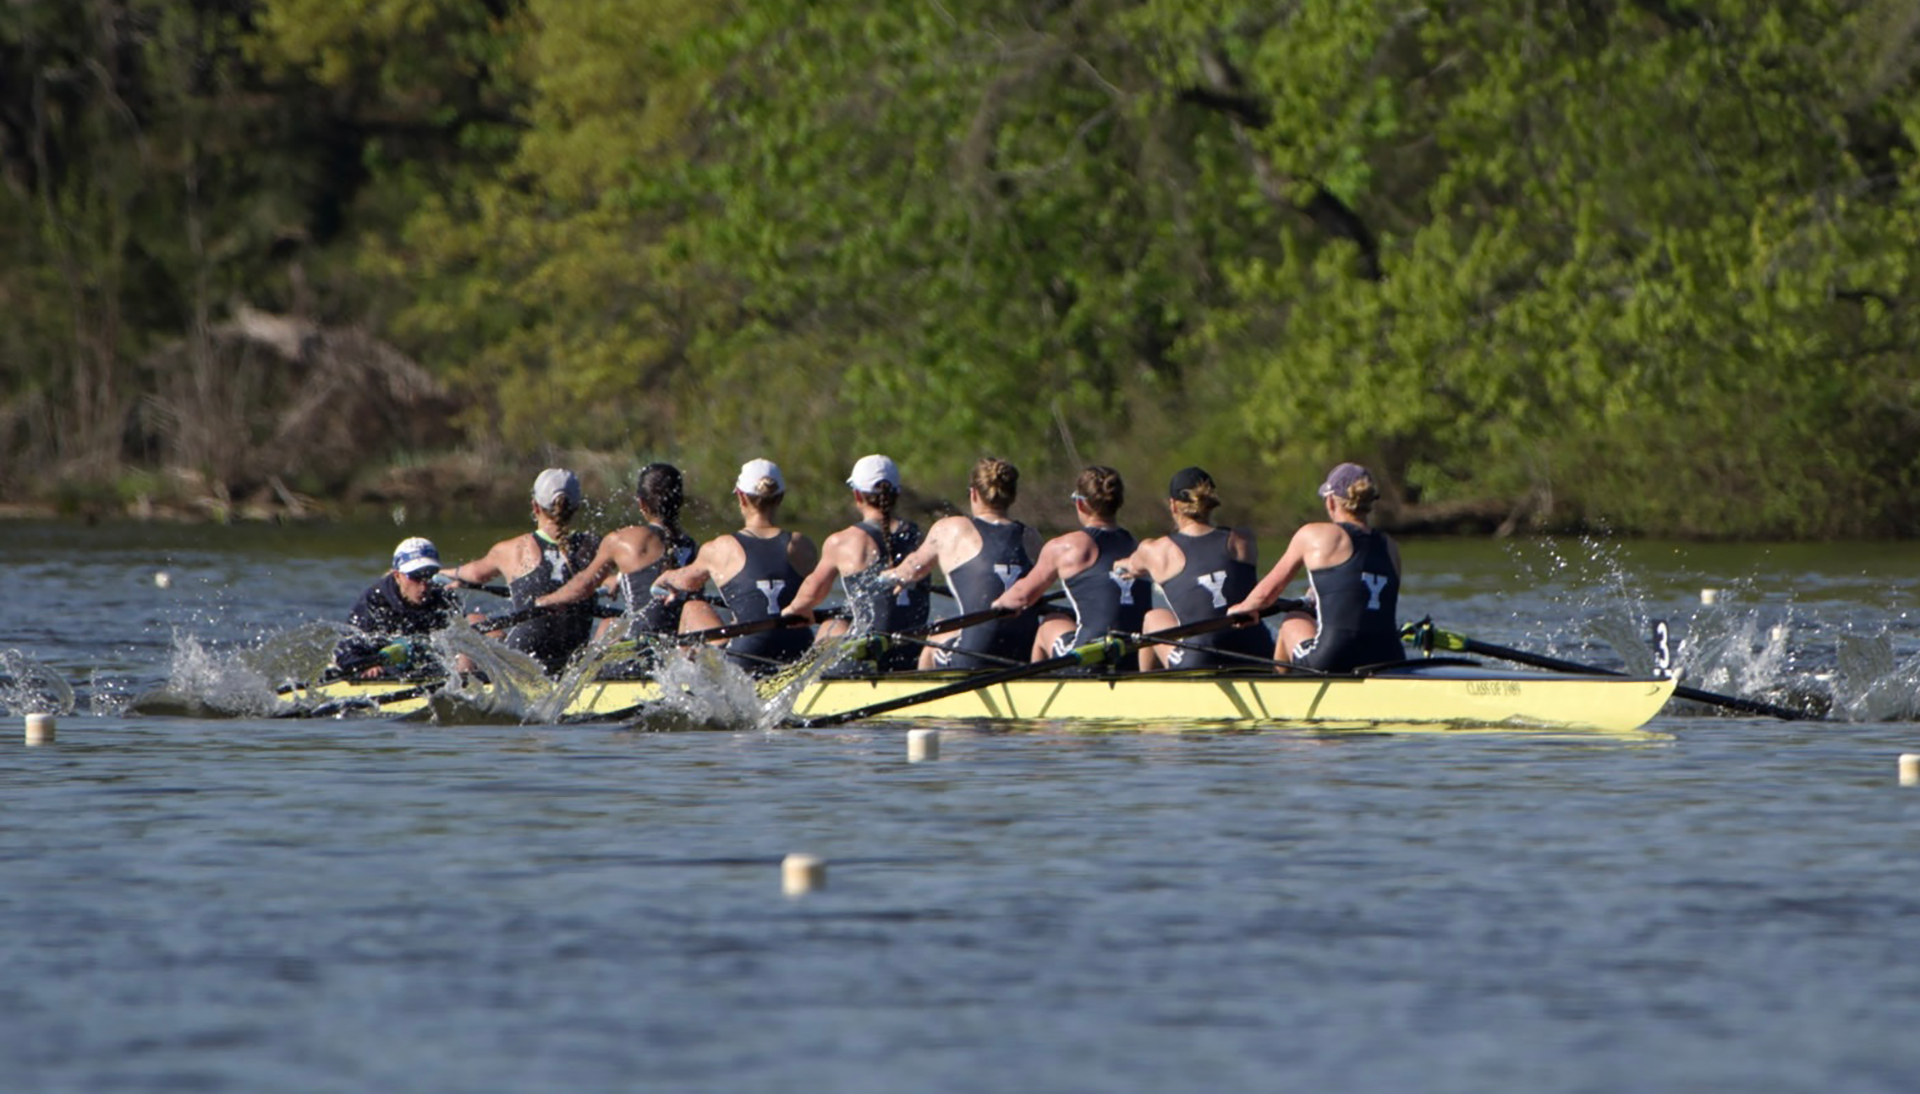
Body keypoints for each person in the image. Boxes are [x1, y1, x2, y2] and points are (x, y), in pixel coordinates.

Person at [1228, 461, 1403, 671]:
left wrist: (1243, 608)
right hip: (1390, 656)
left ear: (1330, 502)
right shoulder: (1390, 546)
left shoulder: (1314, 534)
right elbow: (1357, 591)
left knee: (1291, 621)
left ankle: (1279, 693)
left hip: (1336, 657)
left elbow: (1266, 595)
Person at [654, 458, 819, 675]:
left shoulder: (721, 547)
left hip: (747, 655)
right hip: (800, 651)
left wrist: (665, 577)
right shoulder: (803, 545)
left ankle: (684, 687)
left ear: (741, 497)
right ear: (780, 498)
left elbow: (687, 582)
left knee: (692, 607)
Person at [880, 456, 1042, 669]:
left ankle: (926, 698)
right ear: (1012, 495)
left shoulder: (951, 528)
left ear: (973, 493)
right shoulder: (1032, 536)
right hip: (1024, 653)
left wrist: (881, 577)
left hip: (976, 655)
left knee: (933, 639)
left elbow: (910, 572)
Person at [991, 465, 1151, 668]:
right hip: (1132, 657)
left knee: (1050, 623)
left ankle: (1037, 688)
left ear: (1081, 504)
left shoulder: (1068, 546)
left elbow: (1021, 596)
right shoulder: (1138, 545)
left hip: (1089, 658)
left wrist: (996, 606)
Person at [784, 454, 932, 672]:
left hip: (867, 659)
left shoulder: (842, 542)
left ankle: (807, 686)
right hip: (912, 656)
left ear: (857, 495)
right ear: (897, 494)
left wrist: (794, 610)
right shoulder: (921, 538)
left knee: (829, 627)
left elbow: (811, 593)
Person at [447, 468, 602, 676]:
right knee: (610, 624)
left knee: (475, 621)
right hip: (572, 660)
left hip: (523, 661)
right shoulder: (596, 546)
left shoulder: (513, 549)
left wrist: (444, 573)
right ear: (577, 507)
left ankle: (462, 686)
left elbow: (475, 574)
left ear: (535, 506)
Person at [1114, 467, 1270, 671]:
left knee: (1153, 618)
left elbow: (1133, 566)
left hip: (1200, 661)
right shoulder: (1243, 540)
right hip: (1261, 653)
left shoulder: (1155, 550)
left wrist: (1119, 565)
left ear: (1172, 505)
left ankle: (1146, 688)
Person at [533, 462, 698, 645]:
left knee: (609, 625)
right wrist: (620, 579)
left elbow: (583, 586)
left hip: (639, 652)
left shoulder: (622, 540)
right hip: (676, 652)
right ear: (680, 502)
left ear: (641, 503)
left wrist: (546, 600)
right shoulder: (692, 546)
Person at [333, 537, 461, 678]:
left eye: (429, 576)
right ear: (397, 576)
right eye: (415, 577)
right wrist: (370, 664)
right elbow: (345, 656)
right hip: (384, 671)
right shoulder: (374, 601)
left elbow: (462, 642)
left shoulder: (445, 598)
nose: (424, 586)